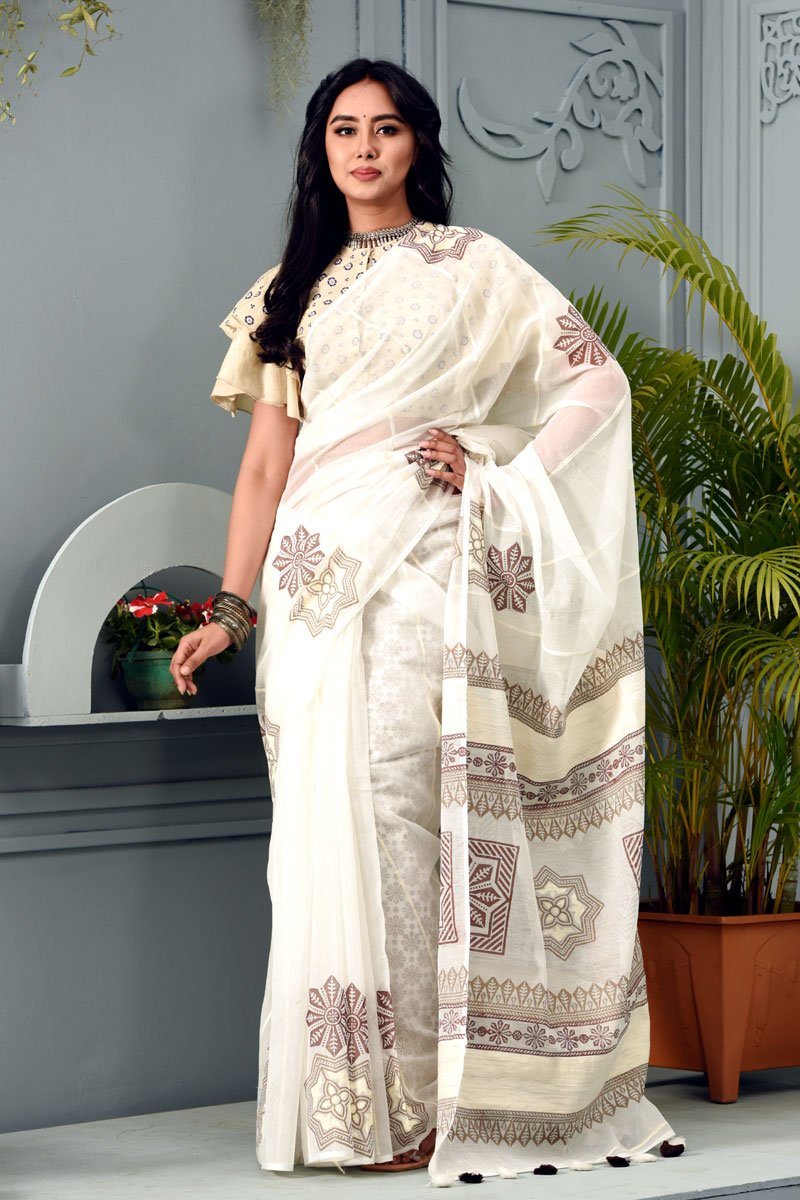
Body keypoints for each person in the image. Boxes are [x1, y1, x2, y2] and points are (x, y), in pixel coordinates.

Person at [169, 57, 686, 1185]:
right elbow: (263, 468)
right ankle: (347, 1112)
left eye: (386, 128)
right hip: (312, 592)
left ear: (418, 146)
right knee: (323, 834)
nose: (364, 148)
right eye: (344, 129)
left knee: (402, 816)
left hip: (417, 573)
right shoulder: (286, 291)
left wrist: (496, 467)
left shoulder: (471, 266)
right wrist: (231, 609)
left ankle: (421, 1105)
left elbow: (596, 385)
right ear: (320, 149)